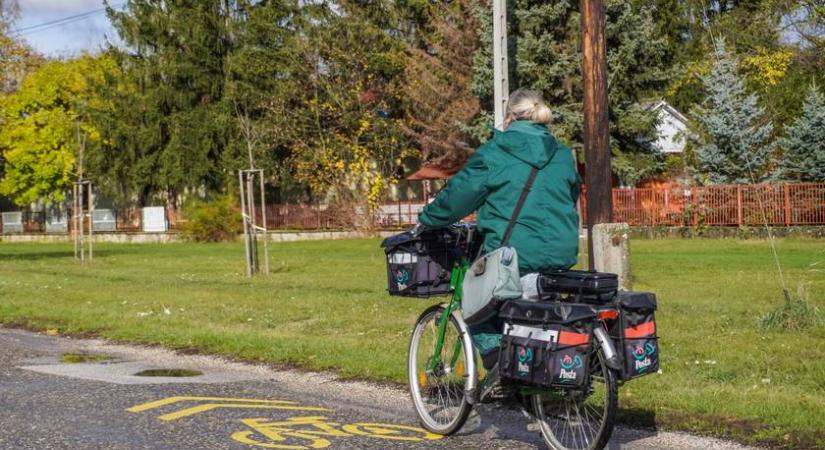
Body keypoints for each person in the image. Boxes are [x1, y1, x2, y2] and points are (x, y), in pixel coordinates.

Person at [417, 88, 582, 368]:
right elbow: (571, 194)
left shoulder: (496, 152)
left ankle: (498, 361)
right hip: (562, 253)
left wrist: (429, 218)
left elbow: (458, 196)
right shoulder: (563, 154)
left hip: (515, 257)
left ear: (510, 117)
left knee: (472, 295)